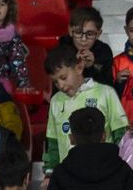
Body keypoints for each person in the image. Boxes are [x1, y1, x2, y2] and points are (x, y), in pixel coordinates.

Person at [43, 45, 127, 180]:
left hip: (103, 172)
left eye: (63, 77)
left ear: (79, 67)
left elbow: (121, 134)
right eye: (55, 82)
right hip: (70, 174)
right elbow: (53, 143)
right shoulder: (56, 101)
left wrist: (117, 166)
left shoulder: (105, 93)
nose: (61, 85)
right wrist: (49, 172)